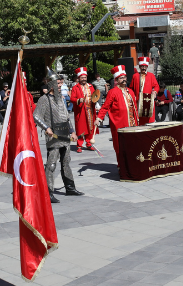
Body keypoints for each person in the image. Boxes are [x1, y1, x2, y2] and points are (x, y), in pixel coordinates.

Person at [33, 70, 83, 203]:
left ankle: (70, 188)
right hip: (53, 135)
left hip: (65, 133)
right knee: (52, 164)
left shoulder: (60, 98)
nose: (60, 86)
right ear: (51, 85)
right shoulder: (43, 100)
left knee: (66, 162)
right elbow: (36, 116)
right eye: (58, 84)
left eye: (61, 84)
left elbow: (66, 117)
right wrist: (46, 127)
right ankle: (48, 192)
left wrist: (72, 131)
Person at [95, 65, 138, 158]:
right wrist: (99, 118)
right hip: (119, 123)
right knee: (120, 145)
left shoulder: (130, 91)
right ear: (117, 80)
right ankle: (121, 166)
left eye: (125, 77)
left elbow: (135, 108)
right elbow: (105, 107)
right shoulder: (112, 92)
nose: (124, 79)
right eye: (121, 78)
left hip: (132, 123)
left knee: (132, 145)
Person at [69, 67, 98, 152]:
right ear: (79, 78)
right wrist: (79, 100)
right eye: (82, 77)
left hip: (90, 110)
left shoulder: (91, 86)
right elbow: (72, 98)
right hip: (81, 111)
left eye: (85, 77)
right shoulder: (75, 88)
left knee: (90, 127)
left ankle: (89, 144)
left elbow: (94, 96)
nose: (84, 79)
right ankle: (79, 145)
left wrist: (96, 100)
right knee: (80, 128)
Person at [130, 57, 159, 125]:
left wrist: (154, 92)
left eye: (145, 66)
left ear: (147, 67)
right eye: (142, 66)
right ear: (139, 67)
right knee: (139, 119)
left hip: (148, 100)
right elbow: (131, 88)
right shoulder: (135, 76)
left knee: (149, 120)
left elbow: (156, 86)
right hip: (138, 101)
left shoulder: (151, 75)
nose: (143, 68)